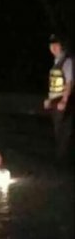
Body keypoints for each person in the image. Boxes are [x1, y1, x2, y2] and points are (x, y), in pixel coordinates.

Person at [43, 34, 73, 163]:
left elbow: (69, 82)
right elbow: (55, 84)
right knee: (57, 129)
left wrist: (64, 100)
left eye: (56, 45)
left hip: (64, 100)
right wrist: (49, 99)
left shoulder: (67, 61)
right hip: (56, 100)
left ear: (62, 46)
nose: (53, 48)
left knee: (64, 130)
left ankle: (63, 158)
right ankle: (60, 156)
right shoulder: (56, 61)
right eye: (51, 45)